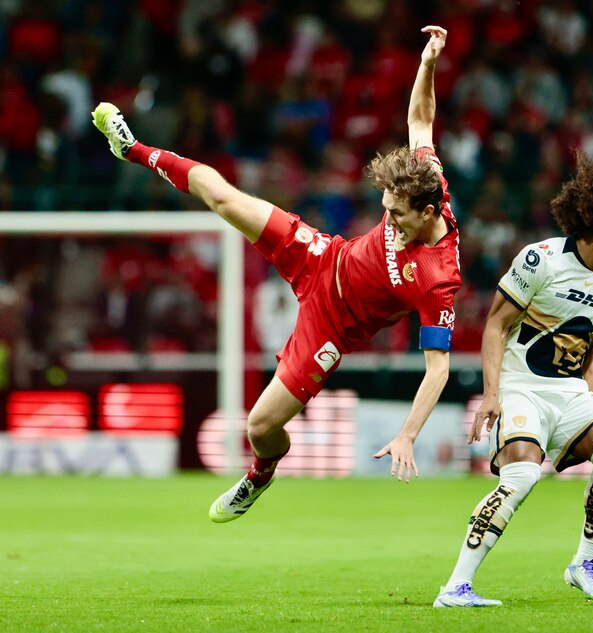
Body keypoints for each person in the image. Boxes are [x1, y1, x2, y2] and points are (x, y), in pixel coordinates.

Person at [92, 26, 458, 521]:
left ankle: (260, 474)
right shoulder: (427, 179)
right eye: (385, 210)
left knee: (260, 428)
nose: (387, 222)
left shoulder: (438, 277)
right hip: (322, 256)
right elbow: (420, 119)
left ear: (428, 212)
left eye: (397, 215)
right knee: (224, 199)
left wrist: (408, 435)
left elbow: (438, 368)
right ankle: (132, 148)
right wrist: (428, 62)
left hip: (332, 327)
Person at [433, 152, 593, 607]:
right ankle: (456, 586)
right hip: (521, 387)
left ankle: (585, 562)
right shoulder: (540, 260)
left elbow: (588, 347)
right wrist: (492, 394)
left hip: (570, 393)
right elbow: (495, 325)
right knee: (523, 475)